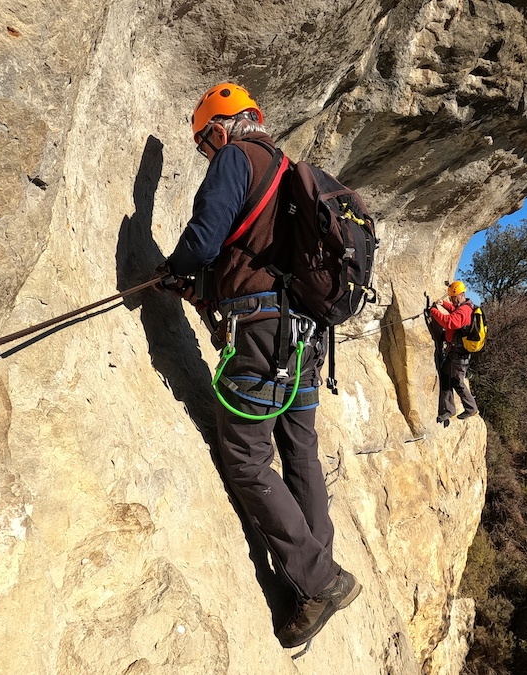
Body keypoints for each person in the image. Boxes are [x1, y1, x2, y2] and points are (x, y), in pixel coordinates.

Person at [156, 82, 361, 648]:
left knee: (246, 458)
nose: (206, 151)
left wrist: (173, 269)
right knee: (301, 451)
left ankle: (319, 583)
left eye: (205, 142)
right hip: (306, 334)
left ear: (219, 128)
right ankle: (314, 573)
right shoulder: (287, 168)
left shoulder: (234, 160)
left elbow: (204, 239)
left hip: (263, 330)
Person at [429, 281, 479, 424]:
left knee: (457, 381)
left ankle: (471, 408)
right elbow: (455, 312)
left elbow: (450, 322)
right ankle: (448, 410)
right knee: (445, 377)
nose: (451, 300)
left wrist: (433, 312)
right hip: (455, 352)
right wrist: (444, 304)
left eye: (453, 297)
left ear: (461, 295)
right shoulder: (464, 307)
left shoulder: (464, 310)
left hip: (459, 354)